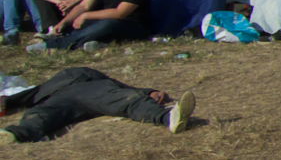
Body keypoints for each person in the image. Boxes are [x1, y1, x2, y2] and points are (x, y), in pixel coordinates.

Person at [2, 66, 194, 143]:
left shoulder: (94, 79)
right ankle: (15, 135)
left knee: (126, 101)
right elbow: (29, 94)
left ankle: (168, 117)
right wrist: (8, 102)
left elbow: (124, 89)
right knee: (39, 115)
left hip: (90, 91)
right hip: (57, 99)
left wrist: (149, 92)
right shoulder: (49, 86)